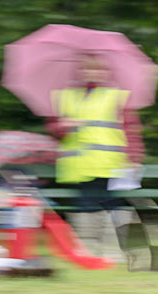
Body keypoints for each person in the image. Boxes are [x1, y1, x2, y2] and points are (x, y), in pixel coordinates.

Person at [47, 53, 144, 256]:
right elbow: (54, 129)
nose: (92, 73)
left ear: (106, 72)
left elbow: (131, 129)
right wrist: (63, 126)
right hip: (80, 164)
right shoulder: (65, 97)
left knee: (112, 203)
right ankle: (88, 249)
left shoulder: (117, 97)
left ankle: (113, 249)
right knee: (86, 204)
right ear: (79, 71)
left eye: (97, 69)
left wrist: (134, 158)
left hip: (111, 162)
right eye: (87, 68)